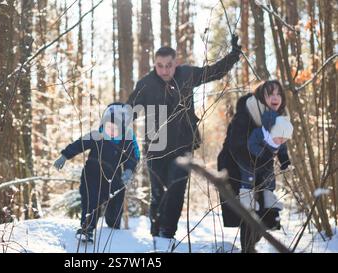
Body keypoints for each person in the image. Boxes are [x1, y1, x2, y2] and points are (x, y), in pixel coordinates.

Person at [127, 34, 242, 249]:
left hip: (183, 146)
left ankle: (167, 234)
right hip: (155, 148)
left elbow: (214, 72)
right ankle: (156, 235)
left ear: (175, 63)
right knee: (159, 194)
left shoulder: (186, 75)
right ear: (155, 65)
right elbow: (129, 109)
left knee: (177, 188)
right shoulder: (145, 84)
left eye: (168, 66)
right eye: (160, 66)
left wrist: (234, 55)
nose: (164, 71)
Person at [217, 80, 292, 253]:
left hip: (262, 163)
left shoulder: (280, 117)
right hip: (236, 164)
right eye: (270, 94)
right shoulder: (246, 112)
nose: (275, 97)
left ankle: (252, 243)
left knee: (265, 211)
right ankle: (248, 249)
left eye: (278, 94)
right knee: (249, 209)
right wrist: (253, 161)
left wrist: (284, 160)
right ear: (260, 96)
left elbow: (281, 142)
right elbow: (236, 144)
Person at [53, 102, 140, 243]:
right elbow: (79, 144)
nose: (111, 130)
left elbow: (134, 156)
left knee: (116, 204)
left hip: (115, 177)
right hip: (92, 175)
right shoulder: (96, 135)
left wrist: (129, 170)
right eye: (108, 126)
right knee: (91, 201)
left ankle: (114, 226)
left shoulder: (127, 140)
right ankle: (87, 229)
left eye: (115, 128)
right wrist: (64, 156)